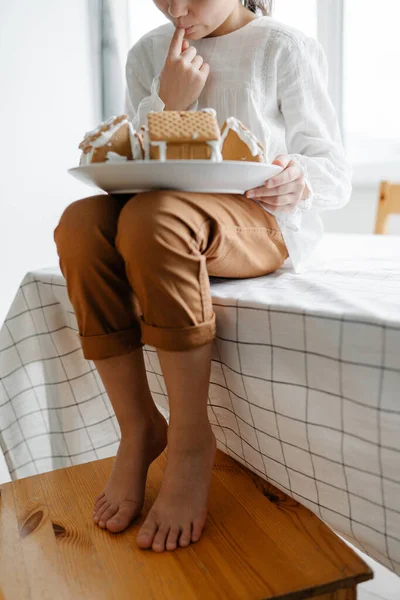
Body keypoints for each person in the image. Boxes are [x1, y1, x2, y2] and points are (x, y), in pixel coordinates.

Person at [53, 0, 352, 553]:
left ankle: (192, 442)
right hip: (163, 215)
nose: (177, 8)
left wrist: (298, 179)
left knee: (153, 217)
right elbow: (134, 165)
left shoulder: (280, 47)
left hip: (259, 222)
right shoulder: (149, 52)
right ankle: (139, 426)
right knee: (78, 224)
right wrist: (169, 102)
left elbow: (334, 172)